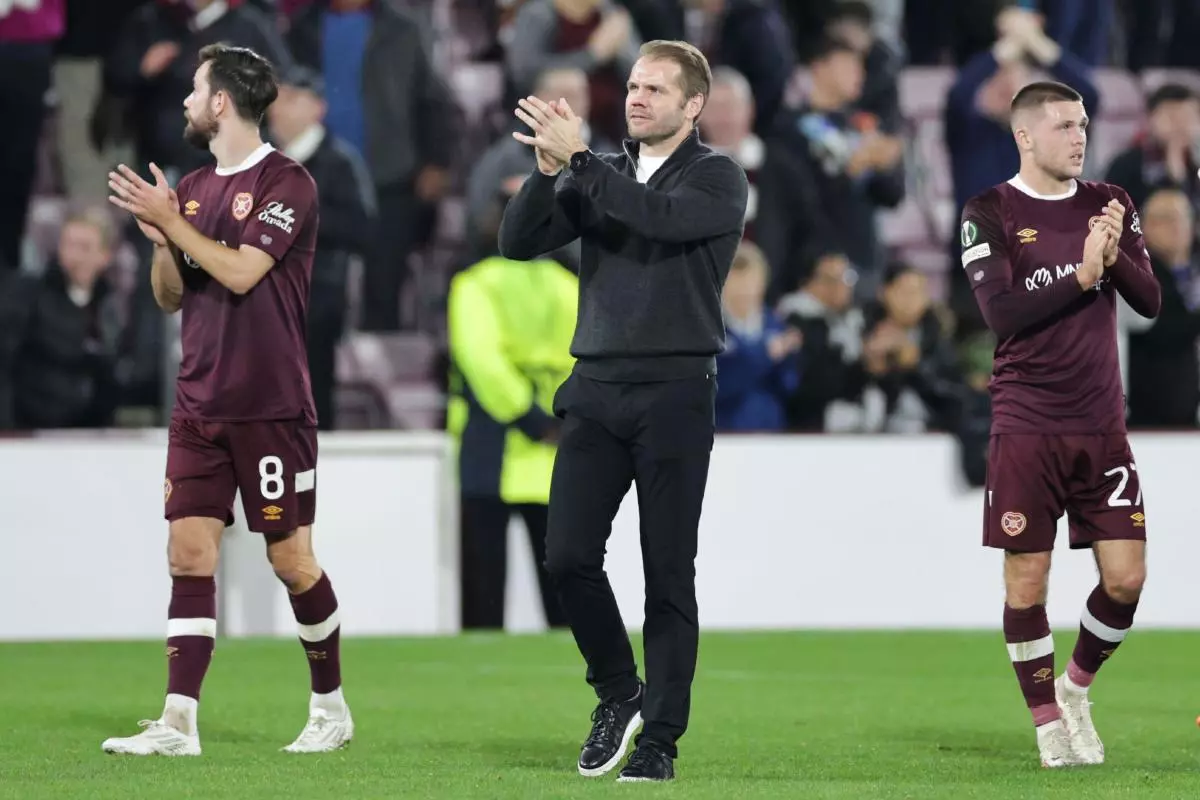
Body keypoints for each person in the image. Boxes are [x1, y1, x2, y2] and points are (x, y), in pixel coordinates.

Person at [499, 39, 749, 782]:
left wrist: (577, 164)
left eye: (656, 90)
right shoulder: (598, 173)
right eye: (633, 86)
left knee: (668, 572)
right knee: (567, 555)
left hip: (675, 391)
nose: (636, 98)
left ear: (693, 105)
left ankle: (660, 742)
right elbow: (518, 243)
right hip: (598, 388)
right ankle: (618, 690)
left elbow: (659, 220)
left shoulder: (717, 177)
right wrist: (547, 173)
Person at [102, 43, 352, 756]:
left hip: (270, 405)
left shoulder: (288, 182)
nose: (184, 101)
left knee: (290, 560)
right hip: (198, 402)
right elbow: (171, 296)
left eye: (194, 89)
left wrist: (174, 223)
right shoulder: (192, 188)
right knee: (187, 554)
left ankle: (330, 706)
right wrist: (160, 240)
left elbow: (243, 272)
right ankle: (179, 722)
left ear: (221, 103)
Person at [959, 80, 1160, 769]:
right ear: (1025, 136)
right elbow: (1002, 313)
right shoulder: (988, 211)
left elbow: (1151, 300)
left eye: (1082, 125)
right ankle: (1046, 721)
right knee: (1028, 580)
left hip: (1101, 421)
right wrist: (1078, 276)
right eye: (1064, 126)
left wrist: (1115, 255)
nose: (1078, 136)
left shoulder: (1112, 202)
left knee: (1127, 579)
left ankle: (1076, 689)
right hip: (1027, 422)